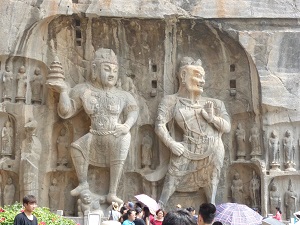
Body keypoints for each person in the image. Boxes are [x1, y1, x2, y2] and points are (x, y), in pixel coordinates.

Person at [47, 48, 139, 204]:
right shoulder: (84, 90)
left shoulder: (123, 95)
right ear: (95, 69)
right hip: (95, 135)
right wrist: (63, 91)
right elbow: (66, 111)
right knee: (76, 148)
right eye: (107, 69)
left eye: (115, 71)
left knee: (125, 137)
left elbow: (133, 110)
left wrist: (127, 125)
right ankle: (83, 183)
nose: (111, 74)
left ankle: (112, 192)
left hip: (115, 135)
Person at [155, 56, 231, 207]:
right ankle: (159, 209)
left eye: (203, 77)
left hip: (213, 147)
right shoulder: (171, 101)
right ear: (183, 75)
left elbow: (227, 127)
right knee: (172, 179)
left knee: (212, 180)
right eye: (197, 75)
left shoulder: (215, 103)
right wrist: (171, 143)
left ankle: (211, 209)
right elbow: (160, 125)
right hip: (187, 147)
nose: (202, 80)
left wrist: (212, 118)